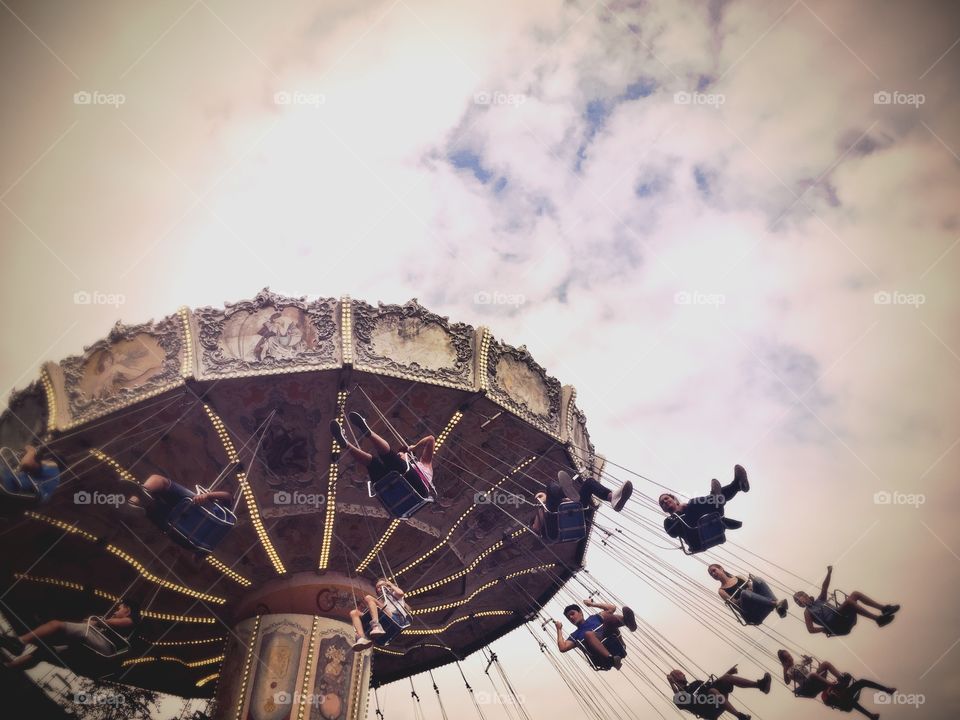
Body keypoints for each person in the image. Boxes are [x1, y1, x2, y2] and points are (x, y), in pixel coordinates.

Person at [1, 600, 140, 669]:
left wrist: (99, 621)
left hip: (100, 643)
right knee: (45, 652)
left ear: (127, 610)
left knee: (56, 625)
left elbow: (108, 623)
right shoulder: (123, 621)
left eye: (119, 608)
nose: (116, 611)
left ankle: (20, 642)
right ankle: (11, 666)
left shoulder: (129, 621)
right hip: (97, 642)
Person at [331, 412, 436, 497]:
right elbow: (430, 440)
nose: (400, 455)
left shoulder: (422, 465)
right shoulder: (423, 466)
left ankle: (368, 433)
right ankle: (346, 445)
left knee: (386, 455)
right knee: (373, 462)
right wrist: (407, 452)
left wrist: (412, 447)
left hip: (413, 486)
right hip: (396, 488)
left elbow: (431, 439)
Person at [659, 465, 750, 552]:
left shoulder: (689, 508)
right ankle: (721, 495)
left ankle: (737, 485)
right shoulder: (668, 522)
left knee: (701, 504)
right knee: (694, 503)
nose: (665, 502)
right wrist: (679, 511)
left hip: (709, 526)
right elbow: (673, 533)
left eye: (666, 498)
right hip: (695, 539)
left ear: (674, 499)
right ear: (664, 509)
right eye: (662, 503)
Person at [793, 566, 900, 637]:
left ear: (805, 595)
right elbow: (810, 629)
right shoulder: (808, 612)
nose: (799, 601)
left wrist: (829, 572)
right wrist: (823, 629)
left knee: (855, 594)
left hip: (842, 617)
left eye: (799, 597)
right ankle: (877, 619)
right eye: (797, 602)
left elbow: (824, 587)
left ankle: (884, 608)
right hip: (835, 623)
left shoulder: (819, 600)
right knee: (849, 603)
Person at [532, 470, 632, 537]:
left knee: (589, 482)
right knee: (550, 486)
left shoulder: (556, 501)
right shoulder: (539, 511)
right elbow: (536, 528)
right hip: (555, 522)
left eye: (540, 496)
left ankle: (612, 497)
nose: (539, 498)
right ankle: (563, 491)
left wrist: (567, 500)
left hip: (573, 511)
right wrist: (541, 506)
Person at [128, 474, 233, 533]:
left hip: (195, 507)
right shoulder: (220, 527)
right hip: (183, 522)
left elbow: (228, 496)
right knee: (153, 501)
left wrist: (207, 496)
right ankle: (133, 503)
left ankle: (132, 502)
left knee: (160, 481)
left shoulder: (224, 516)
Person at [554, 599, 637, 670]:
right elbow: (562, 647)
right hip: (602, 658)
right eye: (568, 617)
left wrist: (592, 604)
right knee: (588, 634)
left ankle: (628, 623)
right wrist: (559, 629)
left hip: (613, 643)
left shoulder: (594, 618)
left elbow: (612, 608)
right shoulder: (575, 635)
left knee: (607, 617)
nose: (571, 617)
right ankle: (611, 659)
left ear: (580, 612)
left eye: (572, 614)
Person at [667, 666, 771, 719]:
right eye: (679, 674)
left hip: (716, 700)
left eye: (681, 672)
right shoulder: (679, 696)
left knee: (724, 679)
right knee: (712, 691)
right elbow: (680, 696)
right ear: (675, 679)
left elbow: (714, 684)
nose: (683, 674)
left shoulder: (696, 683)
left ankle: (760, 685)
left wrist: (728, 674)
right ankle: (740, 716)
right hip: (707, 710)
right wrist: (672, 684)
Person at [708, 564, 788, 624]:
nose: (713, 574)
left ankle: (777, 606)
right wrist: (746, 593)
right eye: (711, 574)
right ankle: (775, 603)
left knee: (757, 579)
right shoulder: (722, 590)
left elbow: (751, 586)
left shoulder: (739, 577)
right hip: (750, 612)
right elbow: (735, 604)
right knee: (744, 593)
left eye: (714, 570)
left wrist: (750, 589)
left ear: (721, 568)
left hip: (760, 603)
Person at [348, 578, 411, 651]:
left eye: (381, 586)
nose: (379, 589)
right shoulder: (383, 600)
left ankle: (376, 626)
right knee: (354, 613)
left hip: (396, 618)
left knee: (368, 598)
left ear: (388, 586)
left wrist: (390, 584)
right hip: (386, 616)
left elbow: (401, 593)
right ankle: (361, 638)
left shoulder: (393, 594)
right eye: (377, 588)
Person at [820, 675, 896, 719]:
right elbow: (828, 701)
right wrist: (830, 690)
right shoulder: (824, 694)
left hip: (846, 694)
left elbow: (842, 686)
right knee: (850, 701)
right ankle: (871, 716)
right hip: (843, 703)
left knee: (862, 682)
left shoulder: (831, 684)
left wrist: (843, 680)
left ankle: (887, 690)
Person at [777, 650, 843, 698]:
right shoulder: (789, 671)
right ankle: (831, 684)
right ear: (784, 662)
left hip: (813, 678)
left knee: (825, 663)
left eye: (789, 656)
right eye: (787, 658)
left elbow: (809, 661)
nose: (789, 658)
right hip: (806, 684)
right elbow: (787, 681)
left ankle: (841, 678)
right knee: (812, 674)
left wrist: (808, 659)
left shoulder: (798, 662)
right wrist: (784, 668)